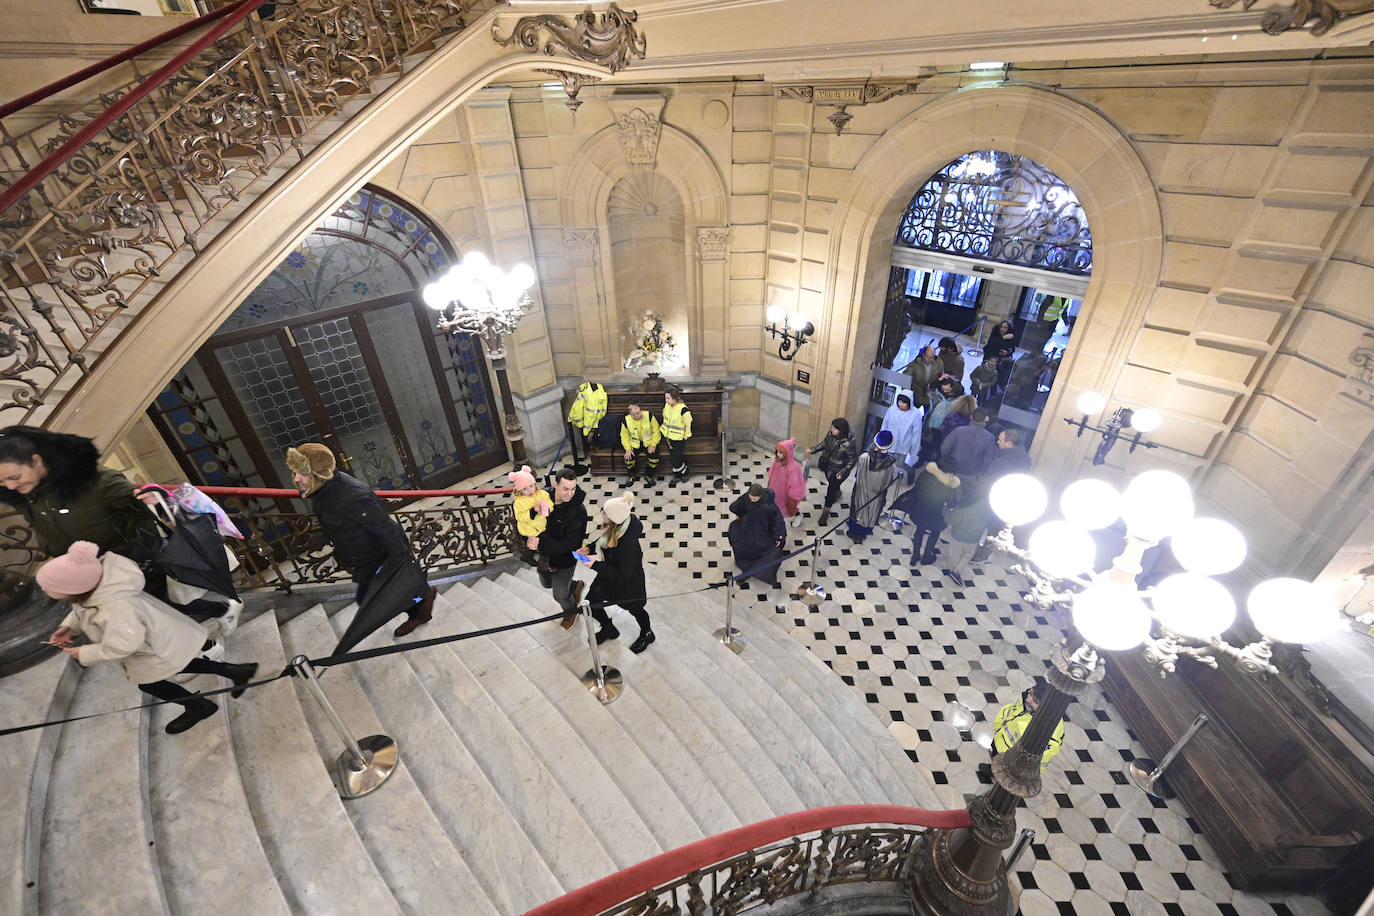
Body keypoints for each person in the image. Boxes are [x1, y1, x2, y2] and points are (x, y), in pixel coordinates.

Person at [38, 541, 258, 735]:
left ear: (74, 588)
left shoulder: (113, 607)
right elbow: (82, 609)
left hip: (150, 644)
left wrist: (84, 653)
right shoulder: (99, 588)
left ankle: (199, 706)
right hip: (157, 640)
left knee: (151, 684)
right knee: (176, 664)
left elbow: (125, 643)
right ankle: (236, 671)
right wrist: (69, 627)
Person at [286, 443, 435, 639]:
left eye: (302, 473)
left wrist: (399, 565)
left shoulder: (353, 496)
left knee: (376, 597)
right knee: (373, 598)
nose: (296, 479)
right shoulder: (323, 489)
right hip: (361, 557)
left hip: (378, 557)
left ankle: (421, 608)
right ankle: (421, 596)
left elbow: (386, 529)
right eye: (295, 472)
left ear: (319, 473)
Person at [0, 425, 163, 577]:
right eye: (1, 482)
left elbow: (150, 512)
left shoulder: (98, 481)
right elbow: (40, 528)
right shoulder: (26, 496)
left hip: (142, 572)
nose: (10, 486)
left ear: (36, 460)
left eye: (15, 477)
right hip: (93, 580)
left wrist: (154, 501)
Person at [580, 491, 654, 653]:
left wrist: (595, 565)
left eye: (605, 513)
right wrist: (589, 548)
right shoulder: (617, 527)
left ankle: (647, 633)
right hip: (608, 578)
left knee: (636, 610)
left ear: (614, 518)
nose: (602, 514)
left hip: (628, 585)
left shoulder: (629, 545)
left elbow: (624, 573)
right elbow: (604, 541)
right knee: (591, 604)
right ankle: (608, 628)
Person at [535, 468, 589, 629]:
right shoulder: (543, 498)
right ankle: (573, 586)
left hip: (565, 560)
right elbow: (528, 519)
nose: (570, 493)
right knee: (546, 584)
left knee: (559, 595)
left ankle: (571, 611)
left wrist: (541, 542)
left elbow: (571, 544)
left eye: (573, 489)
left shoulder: (578, 511)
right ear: (555, 485)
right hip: (545, 557)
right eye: (565, 489)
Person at [893, 454, 961, 566]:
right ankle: (926, 556)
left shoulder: (928, 473)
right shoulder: (950, 485)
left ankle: (915, 556)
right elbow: (952, 503)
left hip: (922, 509)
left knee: (919, 531)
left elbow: (918, 485)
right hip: (938, 515)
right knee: (934, 534)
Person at [991, 678, 1065, 771]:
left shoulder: (1050, 731)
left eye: (1036, 701)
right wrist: (998, 727)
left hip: (1013, 763)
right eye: (1030, 693)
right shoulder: (1027, 701)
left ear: (1048, 708)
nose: (1028, 699)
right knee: (994, 763)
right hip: (999, 741)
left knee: (1003, 777)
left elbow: (1037, 760)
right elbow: (1010, 712)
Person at [727, 483, 786, 587]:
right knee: (742, 548)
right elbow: (737, 506)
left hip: (762, 533)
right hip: (747, 528)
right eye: (751, 498)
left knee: (761, 554)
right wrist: (739, 513)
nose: (752, 501)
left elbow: (777, 521)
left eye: (755, 499)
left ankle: (750, 572)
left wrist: (778, 536)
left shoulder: (769, 505)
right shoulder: (747, 498)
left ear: (761, 496)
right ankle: (746, 570)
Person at [846, 429, 898, 543]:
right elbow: (888, 481)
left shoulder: (864, 457)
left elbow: (859, 476)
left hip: (862, 490)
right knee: (873, 511)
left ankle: (855, 532)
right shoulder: (891, 462)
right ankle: (866, 531)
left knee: (857, 509)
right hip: (878, 493)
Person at [805, 418, 858, 525]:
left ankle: (825, 512)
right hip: (827, 465)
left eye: (834, 428)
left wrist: (842, 472)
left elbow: (852, 460)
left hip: (838, 471)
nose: (831, 430)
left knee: (830, 491)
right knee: (832, 485)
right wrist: (813, 450)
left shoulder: (849, 443)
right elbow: (824, 443)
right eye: (832, 427)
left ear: (841, 430)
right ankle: (837, 492)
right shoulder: (830, 435)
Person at [509, 465, 553, 567]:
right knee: (541, 545)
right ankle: (544, 564)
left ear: (534, 484)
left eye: (531, 486)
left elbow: (550, 503)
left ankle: (526, 556)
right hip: (529, 530)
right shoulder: (518, 502)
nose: (529, 490)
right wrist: (533, 511)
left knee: (534, 546)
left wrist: (548, 509)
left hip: (542, 525)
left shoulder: (542, 493)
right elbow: (520, 517)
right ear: (520, 490)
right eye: (525, 489)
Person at [942, 487, 987, 587]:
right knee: (968, 555)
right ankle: (957, 572)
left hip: (958, 536)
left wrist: (945, 509)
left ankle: (953, 571)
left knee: (954, 555)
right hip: (974, 538)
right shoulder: (986, 506)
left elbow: (950, 520)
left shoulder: (962, 508)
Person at [940, 408, 999, 481]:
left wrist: (947, 462)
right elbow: (988, 460)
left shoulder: (958, 431)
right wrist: (979, 473)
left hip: (952, 471)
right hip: (971, 475)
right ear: (985, 419)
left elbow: (944, 448)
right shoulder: (990, 438)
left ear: (971, 417)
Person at [881, 392, 923, 484]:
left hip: (904, 444)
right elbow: (885, 425)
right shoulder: (892, 410)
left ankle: (911, 473)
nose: (901, 405)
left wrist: (914, 451)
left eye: (904, 403)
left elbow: (916, 433)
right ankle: (888, 478)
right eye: (899, 402)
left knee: (900, 463)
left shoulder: (915, 414)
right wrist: (882, 441)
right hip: (890, 442)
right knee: (889, 462)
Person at [767, 437, 806, 528]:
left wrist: (792, 497)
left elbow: (795, 484)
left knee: (789, 509)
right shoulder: (777, 461)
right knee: (776, 505)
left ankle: (798, 516)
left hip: (786, 493)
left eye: (781, 452)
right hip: (775, 489)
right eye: (777, 451)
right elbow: (772, 473)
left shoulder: (793, 467)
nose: (778, 454)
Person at [620, 402, 661, 485]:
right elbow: (624, 436)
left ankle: (648, 475)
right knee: (628, 458)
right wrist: (628, 449)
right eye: (638, 413)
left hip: (648, 442)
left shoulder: (649, 415)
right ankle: (632, 475)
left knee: (654, 457)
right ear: (632, 415)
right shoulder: (626, 420)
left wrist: (653, 444)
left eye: (640, 411)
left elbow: (656, 431)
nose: (640, 414)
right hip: (634, 444)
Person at [567, 380, 608, 458]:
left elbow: (603, 407)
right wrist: (577, 421)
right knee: (588, 438)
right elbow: (577, 407)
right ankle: (590, 453)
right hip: (588, 422)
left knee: (593, 438)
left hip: (597, 422)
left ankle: (593, 452)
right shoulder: (584, 392)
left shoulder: (601, 391)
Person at [661, 386, 693, 483]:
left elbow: (688, 422)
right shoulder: (667, 405)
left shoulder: (683, 409)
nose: (666, 400)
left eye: (668, 398)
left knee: (676, 458)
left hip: (679, 438)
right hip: (667, 437)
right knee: (673, 457)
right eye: (665, 398)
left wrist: (686, 436)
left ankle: (686, 471)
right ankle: (678, 475)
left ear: (675, 398)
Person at [901, 345, 945, 411]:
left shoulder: (939, 363)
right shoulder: (915, 364)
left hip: (930, 397)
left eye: (932, 357)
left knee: (928, 416)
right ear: (923, 355)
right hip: (916, 396)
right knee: (910, 412)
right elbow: (905, 378)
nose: (929, 359)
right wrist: (907, 395)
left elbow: (941, 375)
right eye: (927, 357)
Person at [985, 319, 1017, 389]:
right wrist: (1003, 338)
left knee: (999, 377)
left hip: (1002, 360)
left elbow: (1012, 349)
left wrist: (1007, 353)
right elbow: (991, 344)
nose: (1002, 329)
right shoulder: (995, 333)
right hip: (991, 357)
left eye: (1005, 328)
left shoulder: (1011, 336)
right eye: (1001, 327)